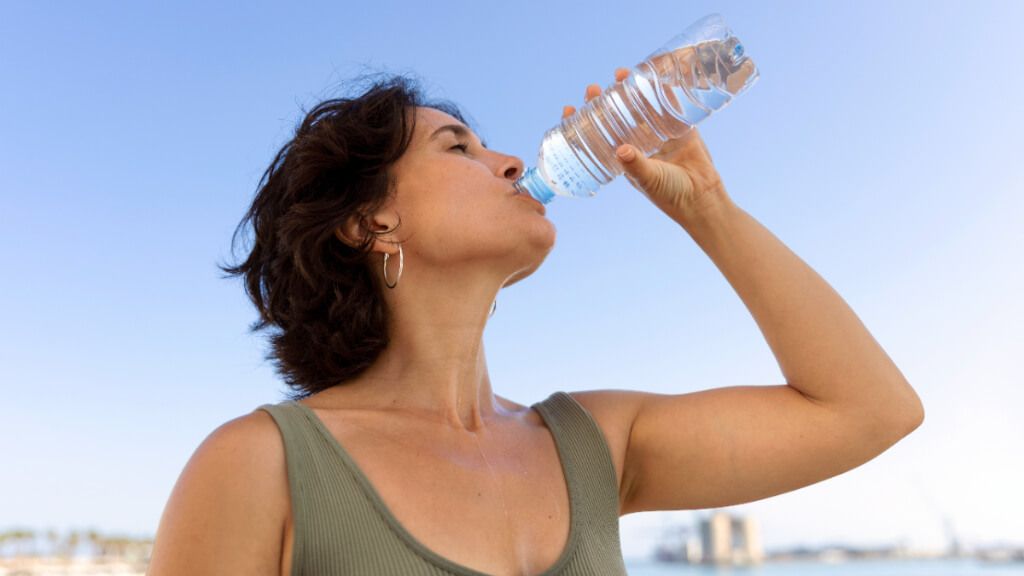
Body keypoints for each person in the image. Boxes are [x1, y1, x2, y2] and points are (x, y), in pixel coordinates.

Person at [147, 70, 924, 575]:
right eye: (460, 148)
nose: (512, 162)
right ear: (369, 222)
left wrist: (709, 210)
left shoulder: (594, 443)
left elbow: (871, 410)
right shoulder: (260, 467)